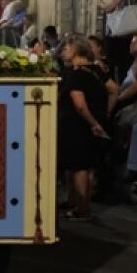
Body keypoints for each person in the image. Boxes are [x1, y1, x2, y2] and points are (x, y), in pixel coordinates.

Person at [58, 35, 110, 221]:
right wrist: (103, 115)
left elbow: (79, 103)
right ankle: (76, 201)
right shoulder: (95, 70)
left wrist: (93, 123)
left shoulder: (77, 74)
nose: (64, 50)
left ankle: (82, 208)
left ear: (77, 49)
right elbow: (113, 89)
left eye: (67, 47)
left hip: (79, 125)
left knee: (80, 166)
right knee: (83, 165)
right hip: (87, 123)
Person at [101, 0, 137, 82]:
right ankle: (125, 83)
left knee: (113, 61)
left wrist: (101, 4)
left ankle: (114, 85)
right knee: (126, 62)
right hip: (131, 34)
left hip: (118, 34)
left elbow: (109, 8)